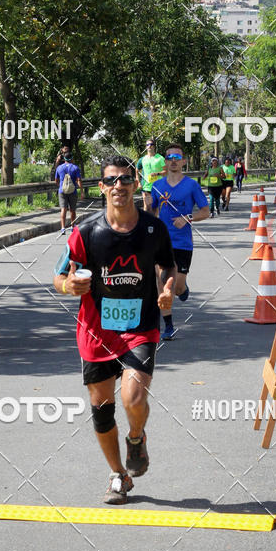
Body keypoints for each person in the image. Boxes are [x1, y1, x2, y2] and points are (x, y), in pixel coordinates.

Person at [53, 155, 176, 505]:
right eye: (111, 181)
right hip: (95, 332)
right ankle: (118, 475)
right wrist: (68, 287)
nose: (118, 187)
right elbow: (59, 275)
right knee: (102, 407)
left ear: (135, 184)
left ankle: (136, 436)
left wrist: (167, 290)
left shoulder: (154, 229)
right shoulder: (87, 232)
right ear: (101, 187)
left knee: (134, 398)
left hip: (140, 327)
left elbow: (168, 269)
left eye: (125, 180)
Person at [151, 143, 210, 340]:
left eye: (177, 157)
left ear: (183, 161)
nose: (173, 161)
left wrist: (187, 218)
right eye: (169, 158)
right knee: (162, 282)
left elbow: (205, 211)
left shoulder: (192, 185)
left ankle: (183, 290)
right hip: (161, 242)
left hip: (183, 242)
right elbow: (152, 212)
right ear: (165, 162)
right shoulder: (157, 186)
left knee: (176, 287)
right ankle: (168, 326)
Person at [55, 151, 82, 234]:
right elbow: (78, 180)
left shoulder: (59, 168)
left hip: (62, 190)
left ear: (64, 159)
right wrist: (82, 191)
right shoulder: (75, 168)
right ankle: (72, 226)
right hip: (72, 191)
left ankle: (63, 228)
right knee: (72, 210)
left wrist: (60, 186)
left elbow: (56, 180)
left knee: (63, 209)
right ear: (72, 158)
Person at [135, 139, 165, 212]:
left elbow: (166, 171)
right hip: (146, 186)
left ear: (154, 146)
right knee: (146, 206)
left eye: (151, 144)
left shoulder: (160, 158)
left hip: (158, 186)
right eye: (147, 145)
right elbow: (137, 170)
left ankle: (155, 222)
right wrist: (138, 182)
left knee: (155, 206)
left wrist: (157, 173)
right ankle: (146, 222)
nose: (149, 146)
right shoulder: (142, 159)